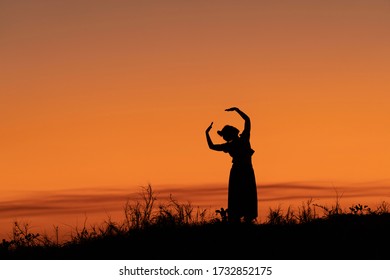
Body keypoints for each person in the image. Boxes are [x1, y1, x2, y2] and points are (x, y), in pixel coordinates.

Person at [205, 107, 258, 223]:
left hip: (242, 171)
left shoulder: (239, 141)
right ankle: (240, 218)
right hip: (243, 170)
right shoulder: (242, 140)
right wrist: (237, 110)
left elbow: (212, 146)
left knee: (240, 195)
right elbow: (247, 120)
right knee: (242, 195)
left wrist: (206, 133)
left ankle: (241, 218)